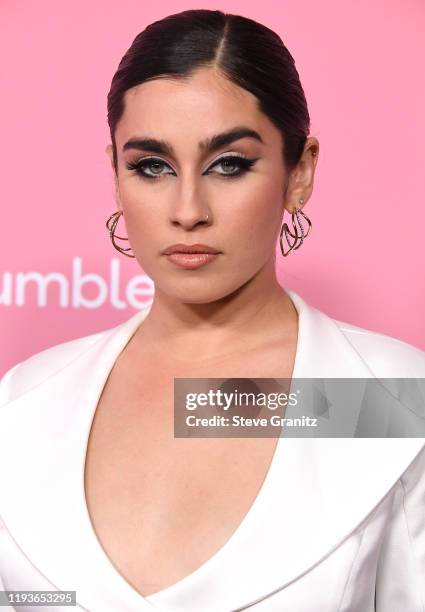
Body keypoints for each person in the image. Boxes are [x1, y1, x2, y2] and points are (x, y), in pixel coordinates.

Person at [1, 9, 424, 612]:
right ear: (116, 175)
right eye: (151, 166)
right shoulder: (27, 400)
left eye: (229, 164)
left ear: (298, 172)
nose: (188, 209)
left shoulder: (389, 399)